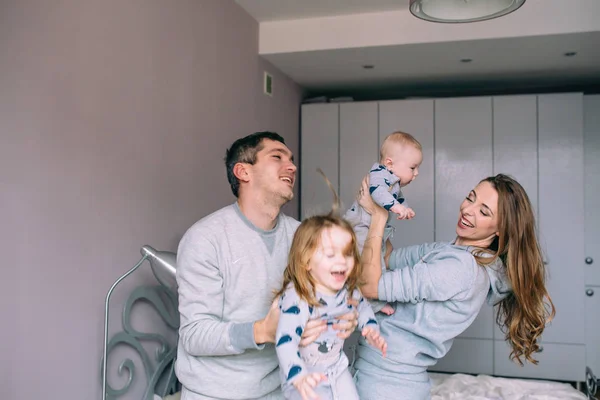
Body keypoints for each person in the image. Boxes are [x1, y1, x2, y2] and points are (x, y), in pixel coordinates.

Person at [175, 132, 358, 400]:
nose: (292, 166)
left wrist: (345, 312)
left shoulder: (302, 237)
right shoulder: (205, 239)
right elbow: (194, 334)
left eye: (292, 160)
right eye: (277, 157)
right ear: (243, 172)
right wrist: (262, 330)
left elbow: (328, 293)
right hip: (214, 393)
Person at [352, 173, 556, 400]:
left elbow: (370, 286)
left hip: (387, 384)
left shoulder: (462, 268)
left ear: (501, 229)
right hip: (380, 375)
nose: (468, 210)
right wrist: (389, 203)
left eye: (484, 211)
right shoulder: (449, 251)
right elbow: (387, 259)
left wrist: (378, 218)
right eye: (471, 198)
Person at [274, 211, 387, 400]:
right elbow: (285, 340)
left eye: (348, 253)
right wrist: (299, 376)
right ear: (306, 261)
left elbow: (363, 306)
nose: (342, 261)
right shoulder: (299, 296)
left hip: (337, 367)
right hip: (304, 375)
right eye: (330, 254)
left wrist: (371, 328)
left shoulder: (346, 290)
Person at [344, 131, 423, 316]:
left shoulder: (393, 181)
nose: (416, 173)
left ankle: (363, 300)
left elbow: (399, 198)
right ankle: (373, 305)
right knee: (372, 264)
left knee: (378, 261)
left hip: (369, 226)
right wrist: (396, 208)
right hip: (359, 227)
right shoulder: (378, 174)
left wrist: (405, 207)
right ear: (389, 163)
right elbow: (377, 193)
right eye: (413, 167)